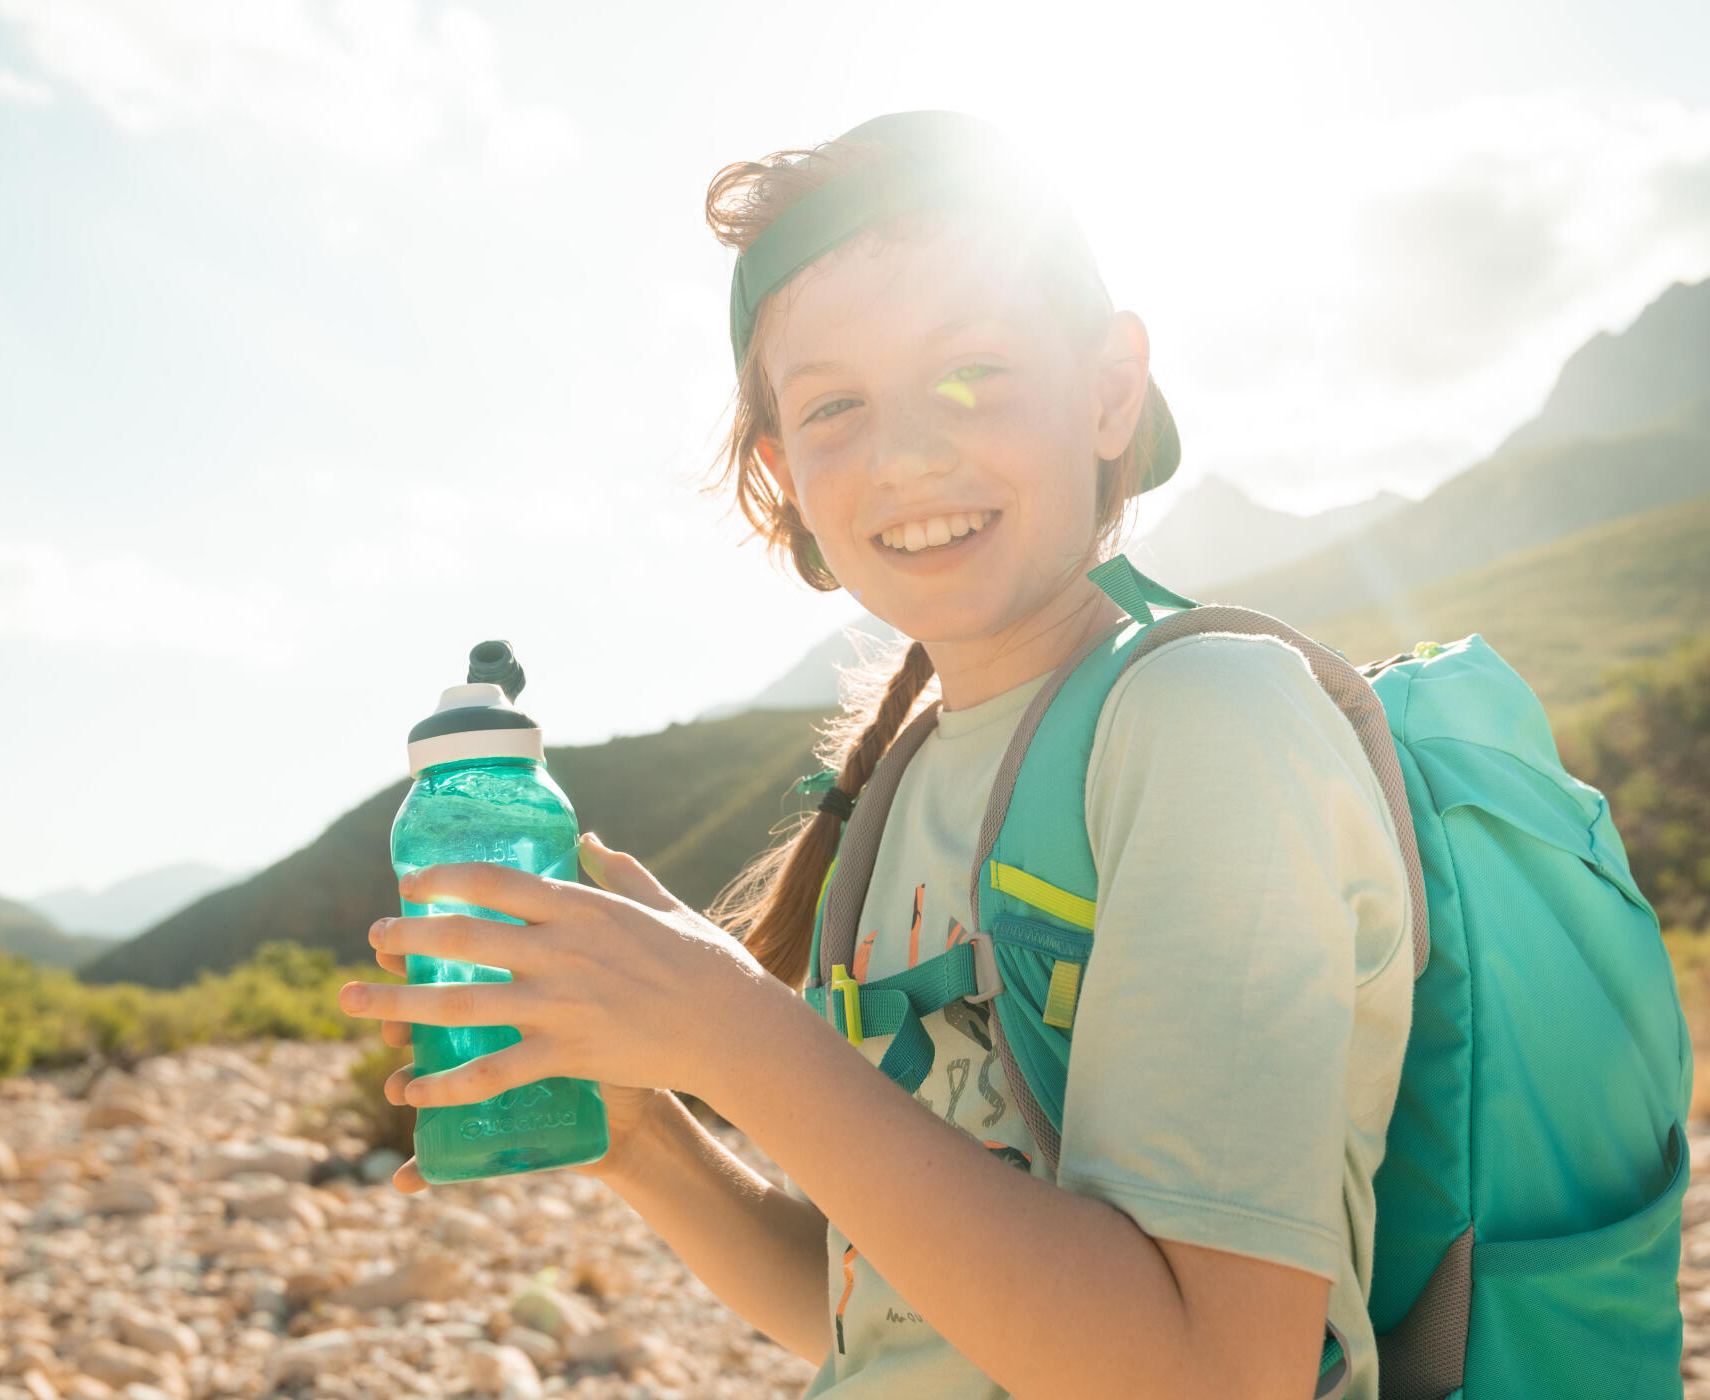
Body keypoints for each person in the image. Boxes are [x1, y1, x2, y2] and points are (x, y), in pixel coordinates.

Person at [339, 111, 1415, 1400]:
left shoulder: (1208, 723)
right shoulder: (900, 785)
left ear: (1109, 389)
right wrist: (644, 1128)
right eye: (837, 404)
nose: (908, 453)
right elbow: (887, 1311)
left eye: (974, 367)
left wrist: (741, 1035)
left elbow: (1209, 1376)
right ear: (785, 469)